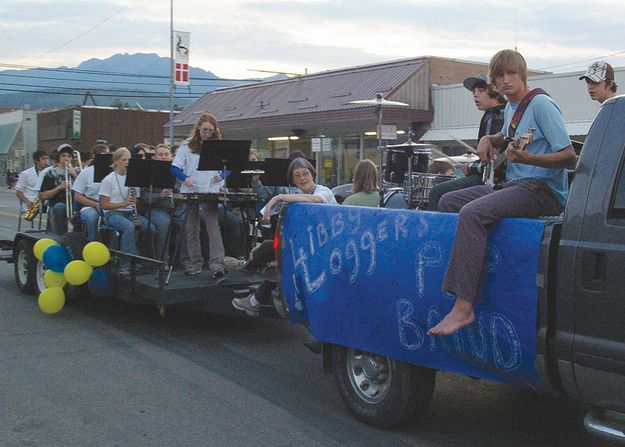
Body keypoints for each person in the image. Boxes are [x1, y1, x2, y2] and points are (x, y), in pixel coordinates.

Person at [428, 49, 578, 337]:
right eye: (499, 75)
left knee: (472, 213)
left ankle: (463, 306)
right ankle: (466, 277)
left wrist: (527, 160)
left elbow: (569, 156)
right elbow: (509, 137)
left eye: (511, 73)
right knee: (448, 200)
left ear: (522, 74)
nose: (506, 79)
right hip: (515, 185)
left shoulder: (542, 105)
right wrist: (489, 137)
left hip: (541, 189)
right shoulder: (512, 107)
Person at [231, 157, 337, 316]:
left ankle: (247, 268)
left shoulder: (323, 191)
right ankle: (253, 297)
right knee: (276, 256)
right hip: (311, 247)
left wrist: (278, 197)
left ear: (312, 174)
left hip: (328, 249)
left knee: (278, 256)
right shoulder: (296, 197)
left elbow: (315, 200)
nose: (302, 178)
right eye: (297, 176)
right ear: (293, 180)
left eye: (305, 173)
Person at [427, 73, 507, 210]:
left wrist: (470, 168)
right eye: (474, 92)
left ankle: (443, 231)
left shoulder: (495, 116)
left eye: (481, 90)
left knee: (437, 192)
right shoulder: (499, 113)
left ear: (496, 92)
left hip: (493, 181)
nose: (475, 95)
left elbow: (492, 163)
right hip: (495, 179)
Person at [171, 113, 226, 278]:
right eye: (204, 130)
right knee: (192, 228)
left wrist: (221, 176)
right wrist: (185, 178)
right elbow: (175, 167)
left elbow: (228, 166)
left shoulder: (217, 145)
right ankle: (195, 262)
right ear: (198, 129)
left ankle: (217, 263)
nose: (207, 133)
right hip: (191, 189)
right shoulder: (187, 145)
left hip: (210, 189)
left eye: (210, 130)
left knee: (213, 227)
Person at [100, 147, 154, 277]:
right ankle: (126, 265)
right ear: (116, 161)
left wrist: (134, 200)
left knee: (150, 228)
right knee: (128, 227)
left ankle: (145, 260)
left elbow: (137, 201)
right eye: (124, 160)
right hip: (113, 213)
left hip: (129, 213)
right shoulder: (108, 180)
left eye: (128, 160)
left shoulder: (133, 178)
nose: (127, 162)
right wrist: (124, 203)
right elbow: (105, 205)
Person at [140, 144, 189, 268]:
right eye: (160, 155)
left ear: (171, 157)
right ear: (155, 157)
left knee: (188, 223)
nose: (163, 157)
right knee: (163, 224)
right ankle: (162, 261)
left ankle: (186, 260)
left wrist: (176, 192)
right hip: (157, 208)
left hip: (176, 207)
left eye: (166, 155)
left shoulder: (177, 171)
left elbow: (184, 190)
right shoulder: (148, 172)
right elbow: (144, 195)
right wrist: (160, 195)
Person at [71, 143, 110, 241]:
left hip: (109, 205)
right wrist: (96, 204)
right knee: (93, 217)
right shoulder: (86, 172)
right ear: (94, 156)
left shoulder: (113, 172)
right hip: (89, 205)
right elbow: (77, 196)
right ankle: (92, 242)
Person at [38, 144, 79, 235]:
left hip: (76, 203)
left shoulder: (77, 171)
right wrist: (59, 187)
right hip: (58, 202)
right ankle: (60, 236)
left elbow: (83, 190)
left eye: (69, 156)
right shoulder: (51, 172)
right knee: (59, 207)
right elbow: (42, 195)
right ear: (59, 157)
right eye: (63, 156)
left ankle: (77, 237)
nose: (66, 159)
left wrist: (75, 175)